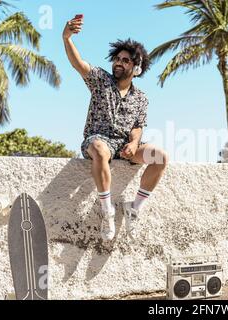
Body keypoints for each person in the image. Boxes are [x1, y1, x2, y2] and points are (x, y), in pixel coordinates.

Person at [62, 15, 169, 241]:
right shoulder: (101, 80)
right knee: (100, 149)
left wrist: (133, 143)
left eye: (126, 60)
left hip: (125, 144)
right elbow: (78, 64)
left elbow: (138, 126)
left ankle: (135, 207)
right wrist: (67, 38)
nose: (119, 63)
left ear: (137, 68)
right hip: (97, 139)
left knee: (160, 156)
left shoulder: (141, 97)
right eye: (117, 59)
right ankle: (107, 210)